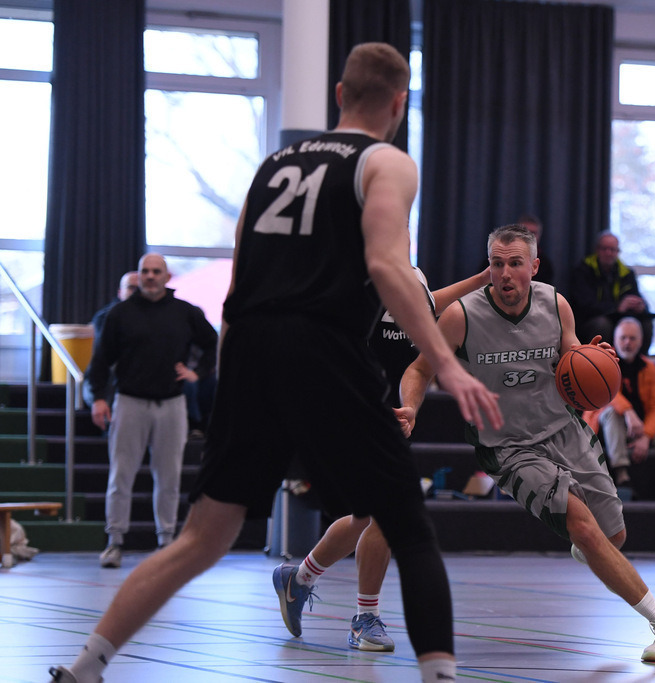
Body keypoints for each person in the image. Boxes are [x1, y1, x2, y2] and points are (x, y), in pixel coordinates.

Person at [49, 42, 502, 683]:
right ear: (399, 104)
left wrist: (230, 382)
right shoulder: (387, 162)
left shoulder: (273, 165)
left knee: (202, 539)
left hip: (251, 348)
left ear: (339, 96)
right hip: (319, 346)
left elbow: (239, 281)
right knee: (409, 528)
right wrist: (446, 364)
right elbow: (385, 266)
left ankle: (85, 666)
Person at [399, 224, 655, 663]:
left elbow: (573, 358)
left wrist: (596, 360)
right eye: (497, 264)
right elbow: (420, 369)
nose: (505, 273)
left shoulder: (556, 304)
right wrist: (410, 408)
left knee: (614, 535)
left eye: (515, 263)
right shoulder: (461, 315)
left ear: (533, 266)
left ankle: (589, 542)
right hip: (509, 446)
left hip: (564, 429)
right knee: (586, 529)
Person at [271, 265, 490, 650]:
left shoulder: (413, 276)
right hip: (351, 409)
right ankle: (363, 618)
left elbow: (427, 302)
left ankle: (299, 579)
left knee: (367, 516)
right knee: (385, 512)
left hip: (392, 416)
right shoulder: (354, 275)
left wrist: (482, 278)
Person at [86, 253, 217, 568]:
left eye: (156, 271)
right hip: (130, 402)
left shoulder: (186, 313)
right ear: (140, 275)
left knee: (169, 477)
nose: (150, 276)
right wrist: (100, 397)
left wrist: (197, 371)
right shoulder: (120, 314)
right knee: (121, 475)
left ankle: (166, 541)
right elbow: (100, 360)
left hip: (172, 404)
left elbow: (212, 342)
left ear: (167, 277)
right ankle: (115, 541)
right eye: (145, 271)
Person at [583, 317, 655, 499]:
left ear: (640, 342)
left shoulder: (649, 367)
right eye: (623, 338)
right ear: (615, 340)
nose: (627, 343)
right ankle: (622, 475)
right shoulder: (604, 362)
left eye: (632, 338)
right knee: (613, 413)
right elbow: (609, 394)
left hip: (638, 429)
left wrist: (646, 436)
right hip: (605, 429)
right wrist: (629, 412)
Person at [569, 231, 655, 353]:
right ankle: (598, 364)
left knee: (646, 324)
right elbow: (584, 306)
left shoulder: (627, 273)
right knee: (602, 324)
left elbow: (636, 296)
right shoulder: (583, 270)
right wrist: (617, 308)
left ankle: (641, 365)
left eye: (613, 249)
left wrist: (641, 307)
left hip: (620, 319)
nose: (608, 253)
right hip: (590, 321)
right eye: (604, 249)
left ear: (618, 252)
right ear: (597, 250)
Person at [82, 270, 138, 406]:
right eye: (131, 287)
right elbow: (103, 357)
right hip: (103, 385)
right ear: (120, 292)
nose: (136, 292)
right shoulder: (105, 317)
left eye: (139, 288)